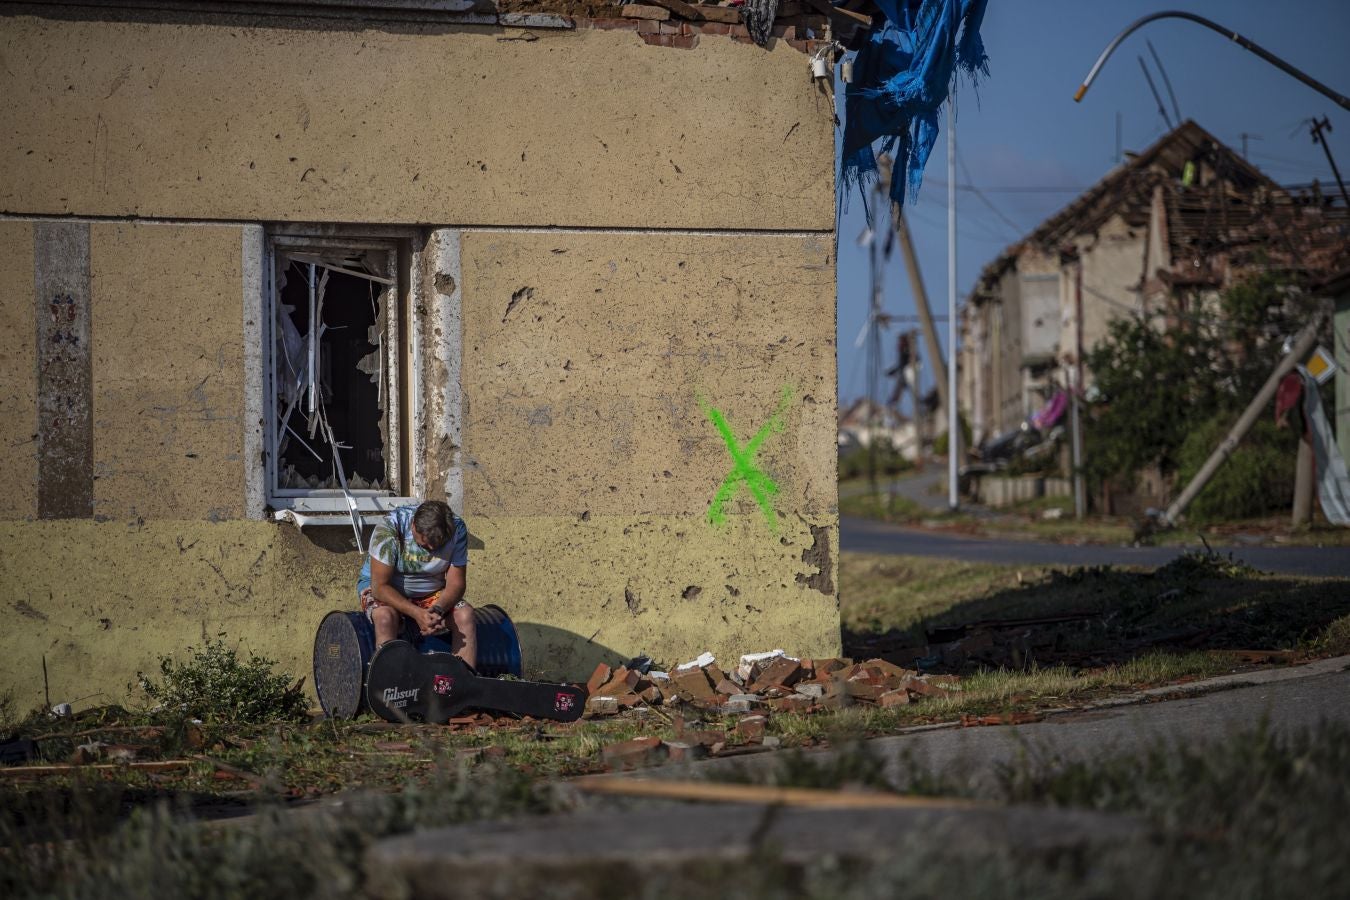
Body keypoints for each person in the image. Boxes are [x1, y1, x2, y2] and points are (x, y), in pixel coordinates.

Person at [357, 500, 475, 668]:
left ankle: (462, 680)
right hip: (385, 589)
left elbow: (456, 584)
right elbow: (379, 587)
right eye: (424, 544)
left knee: (465, 614)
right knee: (385, 618)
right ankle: (389, 680)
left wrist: (437, 610)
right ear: (413, 525)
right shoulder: (389, 528)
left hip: (430, 593)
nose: (431, 548)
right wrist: (416, 613)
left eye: (438, 545)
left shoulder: (457, 528)